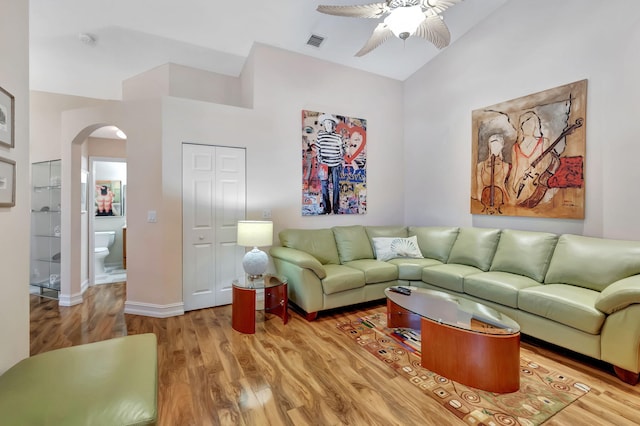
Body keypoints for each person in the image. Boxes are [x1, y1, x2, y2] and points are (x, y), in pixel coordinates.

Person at [316, 114, 344, 214]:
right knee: (324, 186)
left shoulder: (338, 136)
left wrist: (341, 145)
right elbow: (318, 149)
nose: (329, 125)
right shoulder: (320, 136)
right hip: (324, 165)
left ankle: (336, 208)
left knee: (336, 186)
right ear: (324, 124)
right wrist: (320, 161)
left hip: (336, 164)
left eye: (331, 123)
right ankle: (326, 208)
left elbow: (342, 153)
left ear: (333, 125)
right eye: (327, 123)